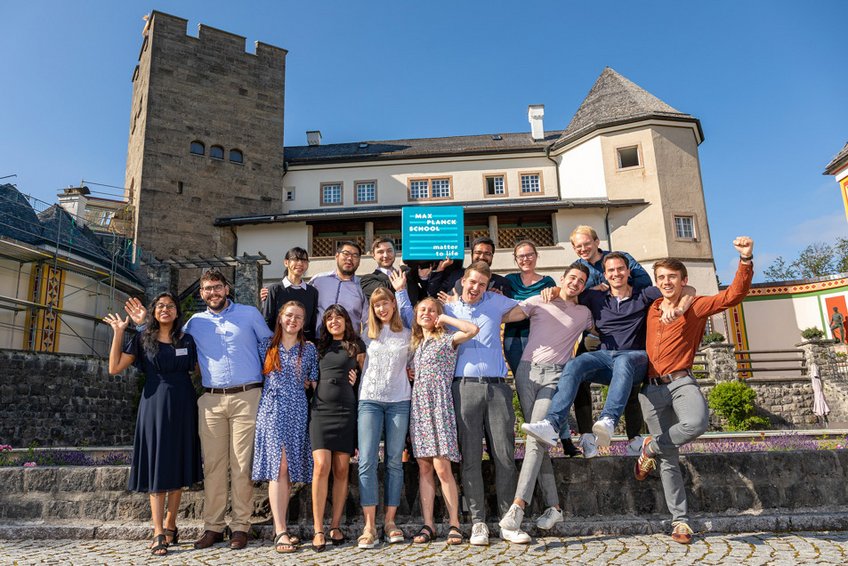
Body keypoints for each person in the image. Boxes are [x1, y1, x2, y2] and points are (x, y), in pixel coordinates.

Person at [634, 236, 754, 545]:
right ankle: (680, 522)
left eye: (672, 277)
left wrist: (745, 260)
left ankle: (650, 447)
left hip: (681, 381)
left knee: (697, 423)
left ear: (683, 279)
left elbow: (732, 296)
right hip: (650, 388)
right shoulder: (652, 307)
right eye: (661, 277)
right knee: (669, 459)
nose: (666, 282)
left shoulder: (696, 306)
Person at [522, 254, 691, 453]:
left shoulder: (644, 294)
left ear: (628, 272)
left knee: (624, 360)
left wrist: (680, 308)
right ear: (605, 275)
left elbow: (687, 289)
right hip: (605, 358)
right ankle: (551, 424)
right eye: (611, 270)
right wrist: (554, 289)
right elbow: (570, 291)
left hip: (635, 358)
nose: (616, 273)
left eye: (620, 269)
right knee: (575, 363)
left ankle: (609, 419)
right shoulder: (595, 297)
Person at [498, 264, 593, 542]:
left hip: (556, 376)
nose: (575, 283)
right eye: (572, 277)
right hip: (526, 372)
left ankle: (518, 508)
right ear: (562, 279)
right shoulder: (541, 298)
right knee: (537, 441)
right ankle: (554, 507)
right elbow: (505, 316)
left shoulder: (584, 313)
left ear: (584, 287)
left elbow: (604, 329)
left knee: (535, 440)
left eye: (581, 281)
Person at [104, 293, 202, 557]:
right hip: (154, 404)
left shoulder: (187, 340)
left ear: (177, 311)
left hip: (183, 405)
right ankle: (158, 530)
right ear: (153, 312)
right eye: (160, 306)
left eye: (170, 306)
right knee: (158, 464)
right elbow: (114, 367)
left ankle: (171, 523)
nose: (165, 309)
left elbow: (200, 371)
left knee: (178, 462)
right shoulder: (142, 339)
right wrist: (118, 332)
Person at [442, 261, 525, 545]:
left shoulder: (496, 302)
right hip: (463, 388)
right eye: (472, 282)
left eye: (481, 284)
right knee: (471, 457)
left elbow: (527, 306)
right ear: (463, 281)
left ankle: (507, 521)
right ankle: (478, 522)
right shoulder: (449, 309)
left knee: (504, 455)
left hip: (498, 387)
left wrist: (553, 294)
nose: (475, 287)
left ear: (487, 286)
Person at [569, 225, 653, 458]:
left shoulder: (618, 260)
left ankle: (635, 437)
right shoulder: (578, 267)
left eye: (587, 243)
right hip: (595, 332)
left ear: (597, 242)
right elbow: (570, 290)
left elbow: (644, 281)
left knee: (630, 382)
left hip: (625, 329)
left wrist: (614, 285)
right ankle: (586, 436)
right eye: (578, 246)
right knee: (579, 375)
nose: (583, 249)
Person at [408, 297, 478, 546]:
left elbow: (472, 330)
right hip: (418, 409)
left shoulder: (447, 339)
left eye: (432, 310)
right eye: (422, 310)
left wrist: (445, 317)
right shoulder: (415, 344)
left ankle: (454, 523)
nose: (426, 313)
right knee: (424, 468)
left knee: (442, 468)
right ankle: (428, 524)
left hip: (439, 407)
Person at [251, 301, 319, 554]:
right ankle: (280, 531)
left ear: (303, 323)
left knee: (287, 468)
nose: (293, 320)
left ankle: (283, 527)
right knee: (278, 466)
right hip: (272, 409)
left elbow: (313, 383)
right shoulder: (265, 347)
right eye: (289, 316)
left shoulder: (309, 350)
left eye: (299, 317)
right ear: (280, 318)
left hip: (298, 410)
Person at [356, 284, 413, 548]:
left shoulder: (408, 335)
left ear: (393, 304)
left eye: (385, 302)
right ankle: (369, 525)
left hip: (399, 401)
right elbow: (355, 361)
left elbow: (414, 364)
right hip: (369, 400)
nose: (382, 308)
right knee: (367, 460)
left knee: (394, 462)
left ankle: (390, 521)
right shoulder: (365, 334)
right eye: (377, 304)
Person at [310, 305, 366, 551]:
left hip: (346, 410)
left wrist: (358, 379)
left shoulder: (357, 346)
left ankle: (335, 525)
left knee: (342, 468)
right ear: (325, 323)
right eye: (329, 318)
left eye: (339, 317)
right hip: (321, 412)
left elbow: (368, 375)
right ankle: (317, 529)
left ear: (346, 321)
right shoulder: (317, 347)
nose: (334, 321)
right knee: (322, 465)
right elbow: (309, 376)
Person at [503, 240, 556, 375]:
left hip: (538, 338)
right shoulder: (509, 280)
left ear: (536, 256)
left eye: (529, 255)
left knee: (539, 376)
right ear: (516, 259)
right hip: (512, 338)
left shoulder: (547, 282)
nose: (525, 259)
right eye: (521, 256)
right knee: (520, 378)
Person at [261, 247, 319, 342]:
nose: (300, 263)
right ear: (286, 262)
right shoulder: (274, 289)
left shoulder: (312, 292)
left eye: (304, 260)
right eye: (296, 259)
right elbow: (267, 321)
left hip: (303, 347)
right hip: (278, 345)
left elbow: (312, 323)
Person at [309, 241, 369, 333]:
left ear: (359, 261)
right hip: (319, 341)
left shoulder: (362, 286)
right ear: (336, 256)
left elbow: (367, 321)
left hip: (350, 343)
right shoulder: (318, 280)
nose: (349, 258)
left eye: (355, 255)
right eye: (346, 254)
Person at [428, 236, 514, 299]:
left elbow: (508, 310)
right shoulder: (454, 276)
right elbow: (433, 295)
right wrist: (440, 269)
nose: (482, 257)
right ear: (472, 254)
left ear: (492, 256)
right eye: (478, 252)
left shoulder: (502, 282)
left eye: (487, 254)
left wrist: (503, 300)